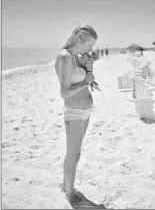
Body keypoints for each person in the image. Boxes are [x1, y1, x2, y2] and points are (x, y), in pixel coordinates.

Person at [54, 24, 98, 204]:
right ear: (79, 40)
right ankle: (70, 195)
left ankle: (66, 185)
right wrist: (84, 82)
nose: (91, 49)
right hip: (74, 112)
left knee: (73, 153)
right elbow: (64, 93)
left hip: (84, 110)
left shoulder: (75, 56)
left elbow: (81, 80)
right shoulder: (65, 57)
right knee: (74, 154)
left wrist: (89, 71)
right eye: (89, 45)